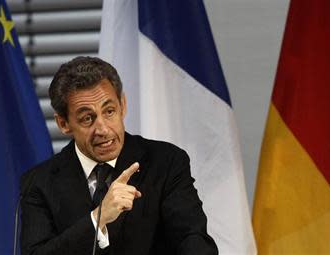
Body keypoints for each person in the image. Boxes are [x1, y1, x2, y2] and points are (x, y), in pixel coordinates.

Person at [20, 56, 218, 255]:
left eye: (109, 111)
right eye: (87, 118)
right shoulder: (39, 183)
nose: (103, 129)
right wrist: (97, 219)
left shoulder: (166, 162)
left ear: (122, 105)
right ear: (63, 124)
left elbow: (192, 238)